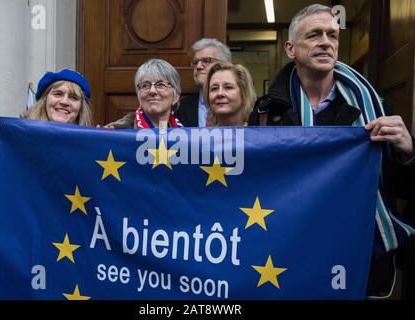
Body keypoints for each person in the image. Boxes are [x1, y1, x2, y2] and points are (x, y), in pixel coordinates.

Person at [248, 4, 415, 298]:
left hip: (362, 258)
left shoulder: (374, 106)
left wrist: (408, 152)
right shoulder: (266, 112)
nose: (326, 42)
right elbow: (253, 186)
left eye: (332, 35)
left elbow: (400, 190)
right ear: (291, 48)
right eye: (314, 35)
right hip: (290, 255)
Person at [0, 69, 93, 193]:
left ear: (81, 108)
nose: (65, 101)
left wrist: (108, 142)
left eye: (74, 97)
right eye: (58, 94)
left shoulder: (91, 146)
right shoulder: (13, 140)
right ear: (44, 100)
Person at [104, 59, 182, 129]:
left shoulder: (185, 135)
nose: (152, 91)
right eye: (145, 85)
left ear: (175, 97)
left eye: (161, 85)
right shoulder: (117, 131)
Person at [174, 38, 232, 127]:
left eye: (207, 61)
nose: (199, 66)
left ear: (224, 65)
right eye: (195, 62)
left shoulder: (239, 104)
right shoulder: (180, 108)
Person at [203, 61, 256, 126]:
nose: (220, 93)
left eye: (228, 87)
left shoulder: (257, 135)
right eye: (214, 88)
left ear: (244, 94)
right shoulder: (204, 135)